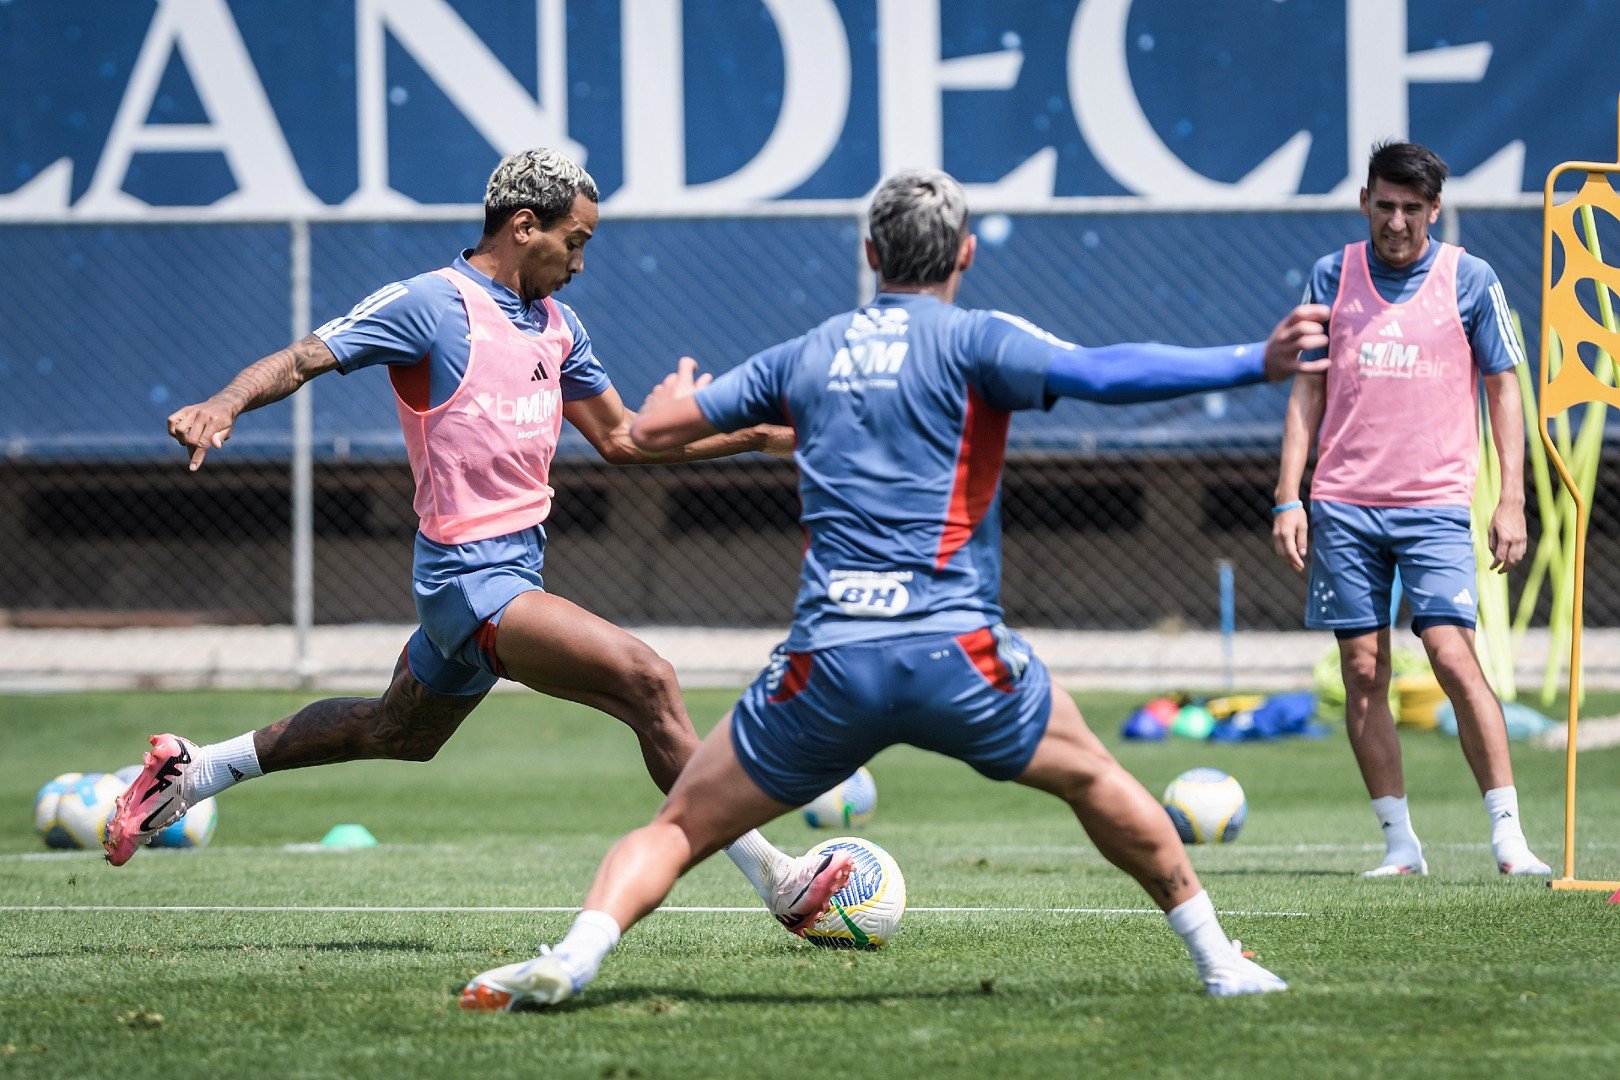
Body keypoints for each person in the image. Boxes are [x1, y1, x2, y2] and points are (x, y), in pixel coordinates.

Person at [459, 168, 1333, 1011]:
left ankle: (574, 960)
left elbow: (649, 431)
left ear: (872, 254)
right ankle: (1220, 961)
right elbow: (1106, 373)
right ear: (965, 255)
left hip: (828, 662)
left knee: (681, 828)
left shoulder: (810, 352)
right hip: (956, 653)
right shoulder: (979, 338)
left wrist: (679, 395)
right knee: (1098, 781)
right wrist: (1253, 360)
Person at [105, 148, 847, 932]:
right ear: (525, 227)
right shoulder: (431, 305)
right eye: (577, 241)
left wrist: (758, 435)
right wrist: (223, 403)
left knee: (393, 731)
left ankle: (195, 771)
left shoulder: (559, 325)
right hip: (468, 580)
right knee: (648, 681)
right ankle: (778, 878)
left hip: (508, 577)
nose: (582, 263)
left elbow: (625, 438)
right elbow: (303, 358)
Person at [1270, 141, 1549, 878]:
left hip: (1434, 506)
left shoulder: (1473, 279)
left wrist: (1511, 497)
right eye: (1384, 205)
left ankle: (1509, 839)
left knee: (1455, 658)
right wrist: (1287, 497)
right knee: (1363, 670)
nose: (1396, 221)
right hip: (1343, 506)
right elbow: (1306, 391)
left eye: (1411, 208)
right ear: (1366, 201)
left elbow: (1505, 389)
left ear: (1434, 210)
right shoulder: (1331, 275)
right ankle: (1400, 846)